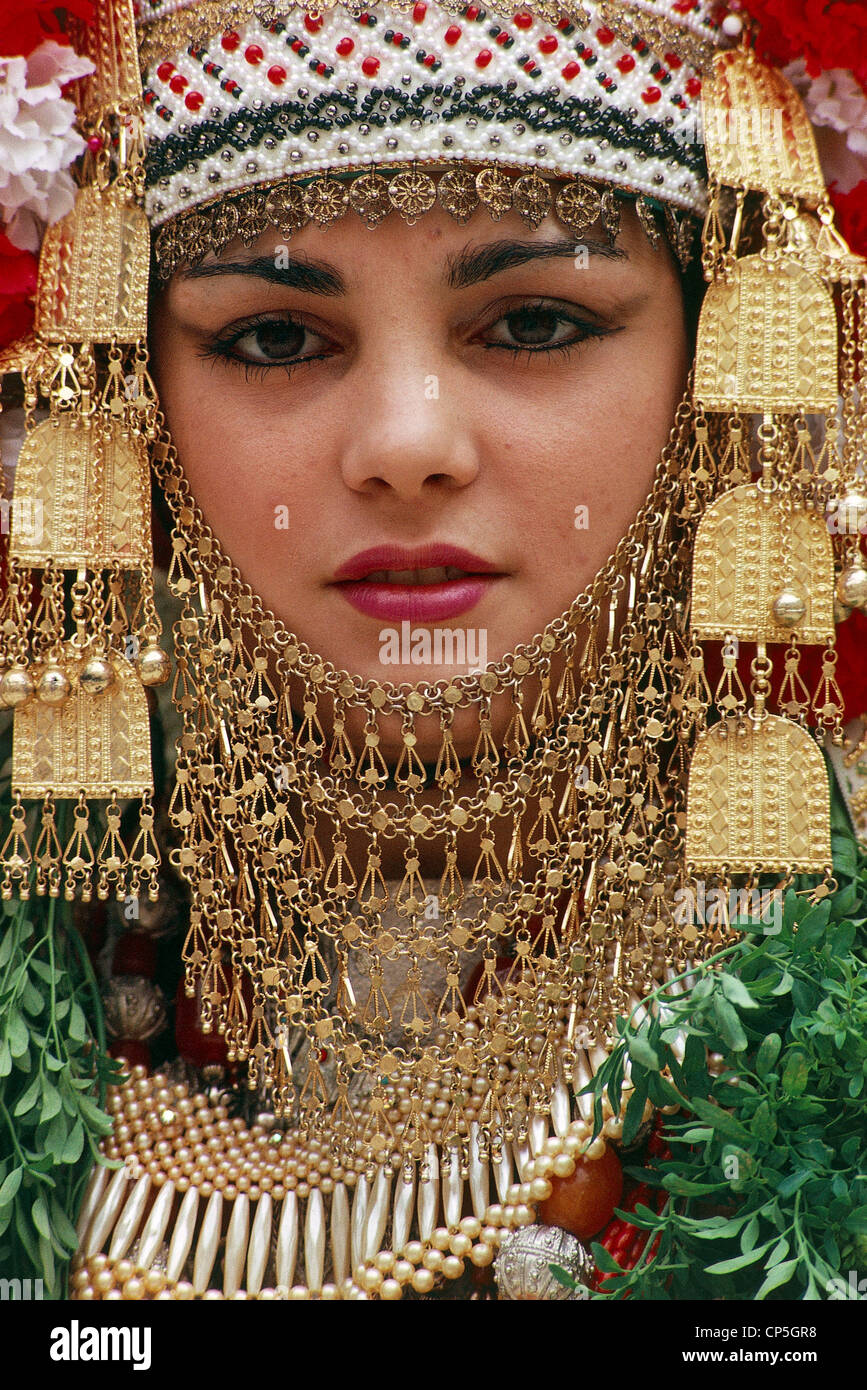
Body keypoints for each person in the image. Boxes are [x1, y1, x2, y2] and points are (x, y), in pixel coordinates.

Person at [1, 0, 866, 1302]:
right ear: (130, 405)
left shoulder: (823, 930)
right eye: (277, 338)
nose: (407, 445)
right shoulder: (58, 908)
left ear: (719, 360)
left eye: (531, 325)